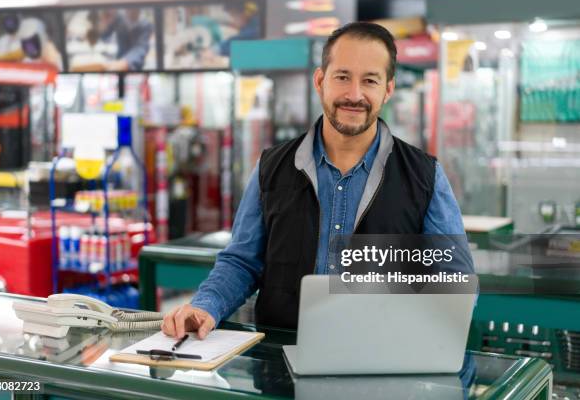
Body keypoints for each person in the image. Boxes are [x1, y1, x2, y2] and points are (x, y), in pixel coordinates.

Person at [162, 22, 474, 339]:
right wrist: (205, 306)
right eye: (342, 77)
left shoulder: (424, 176)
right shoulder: (272, 168)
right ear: (320, 80)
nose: (354, 94)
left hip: (381, 368)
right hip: (280, 365)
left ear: (388, 90)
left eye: (369, 80)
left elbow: (455, 281)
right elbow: (241, 262)